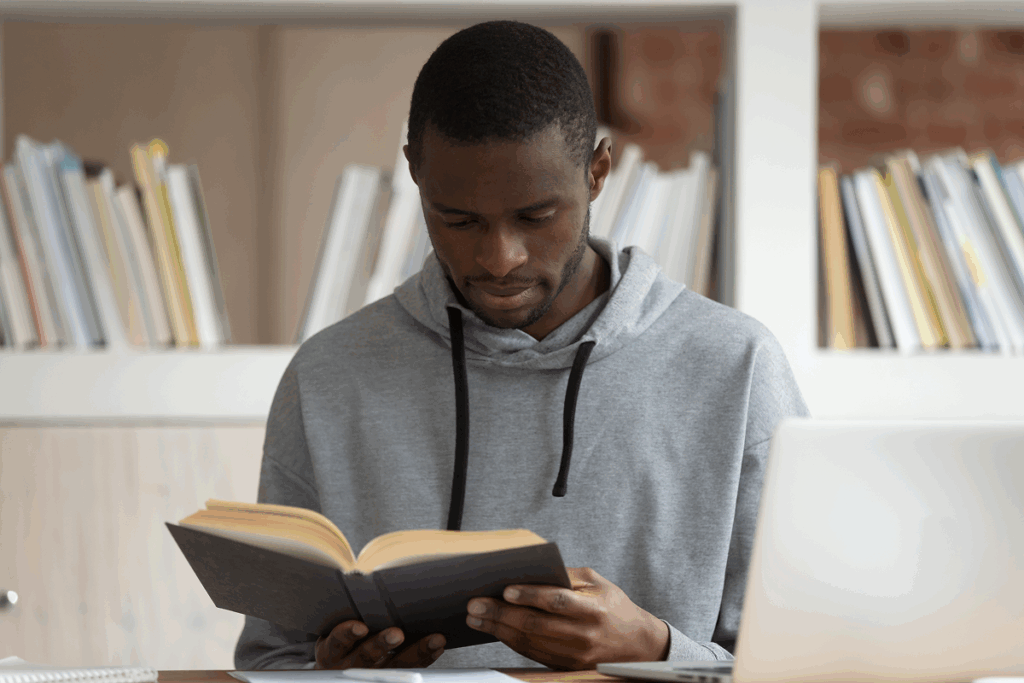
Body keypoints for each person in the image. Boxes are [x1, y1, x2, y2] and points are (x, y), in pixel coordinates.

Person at [235, 19, 808, 672]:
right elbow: (271, 660)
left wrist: (652, 648)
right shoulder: (327, 377)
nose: (499, 257)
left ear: (598, 172)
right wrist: (333, 670)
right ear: (415, 173)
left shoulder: (738, 370)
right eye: (458, 219)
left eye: (536, 217)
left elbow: (821, 665)